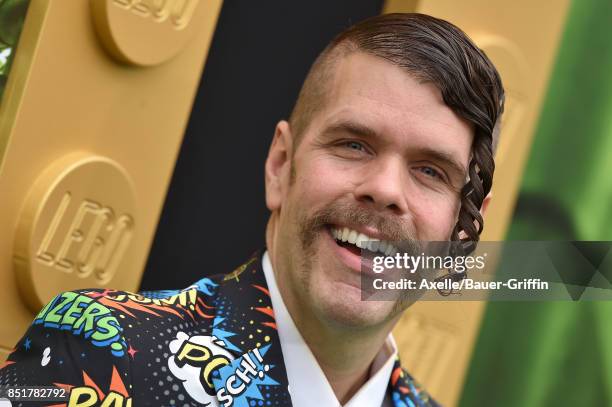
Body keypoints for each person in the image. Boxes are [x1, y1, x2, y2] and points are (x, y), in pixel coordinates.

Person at [0, 13, 503, 407]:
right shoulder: (98, 351)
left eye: (430, 171)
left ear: (460, 232)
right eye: (354, 145)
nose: (386, 189)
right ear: (280, 165)